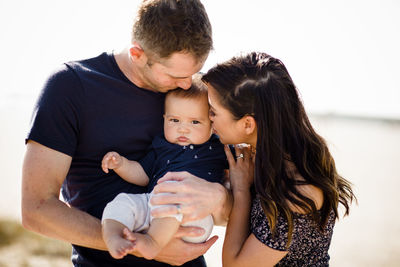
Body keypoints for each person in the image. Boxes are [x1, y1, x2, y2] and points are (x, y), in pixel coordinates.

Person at [21, 1, 231, 266]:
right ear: (137, 53)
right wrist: (138, 245)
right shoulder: (70, 87)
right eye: (174, 75)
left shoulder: (194, 95)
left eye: (192, 72)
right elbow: (36, 210)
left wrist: (220, 197)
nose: (186, 84)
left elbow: (233, 195)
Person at [154, 52, 356, 266]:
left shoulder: (297, 190)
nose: (209, 120)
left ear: (247, 125)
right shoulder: (259, 153)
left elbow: (234, 265)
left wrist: (241, 191)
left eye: (213, 112)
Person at [101, 78, 227, 260]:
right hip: (154, 204)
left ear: (212, 125)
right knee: (121, 202)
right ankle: (114, 238)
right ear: (165, 119)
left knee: (172, 201)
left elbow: (243, 167)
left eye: (195, 122)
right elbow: (143, 175)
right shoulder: (161, 146)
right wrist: (121, 164)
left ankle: (153, 243)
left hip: (193, 214)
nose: (183, 129)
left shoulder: (218, 149)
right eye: (175, 120)